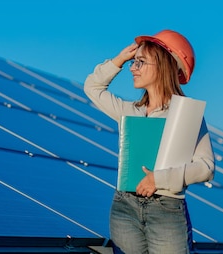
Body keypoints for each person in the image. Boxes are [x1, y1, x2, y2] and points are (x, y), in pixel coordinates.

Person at [84, 30, 215, 253]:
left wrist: (159, 179)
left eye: (141, 62)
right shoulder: (130, 112)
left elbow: (206, 168)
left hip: (166, 209)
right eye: (133, 62)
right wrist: (118, 60)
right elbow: (92, 87)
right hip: (124, 207)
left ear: (164, 65)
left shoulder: (186, 115)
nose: (132, 68)